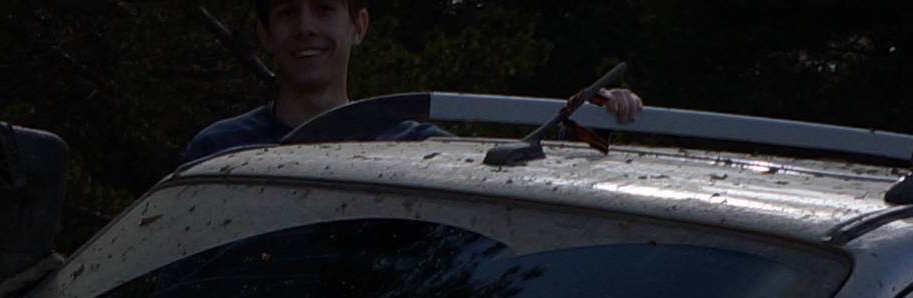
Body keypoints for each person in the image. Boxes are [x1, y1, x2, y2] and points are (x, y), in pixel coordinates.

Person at [182, 0, 643, 163]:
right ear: (264, 34)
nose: (305, 28)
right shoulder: (219, 152)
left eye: (324, 9)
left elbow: (514, 181)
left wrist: (590, 127)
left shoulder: (417, 152)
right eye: (287, 13)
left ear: (359, 26)